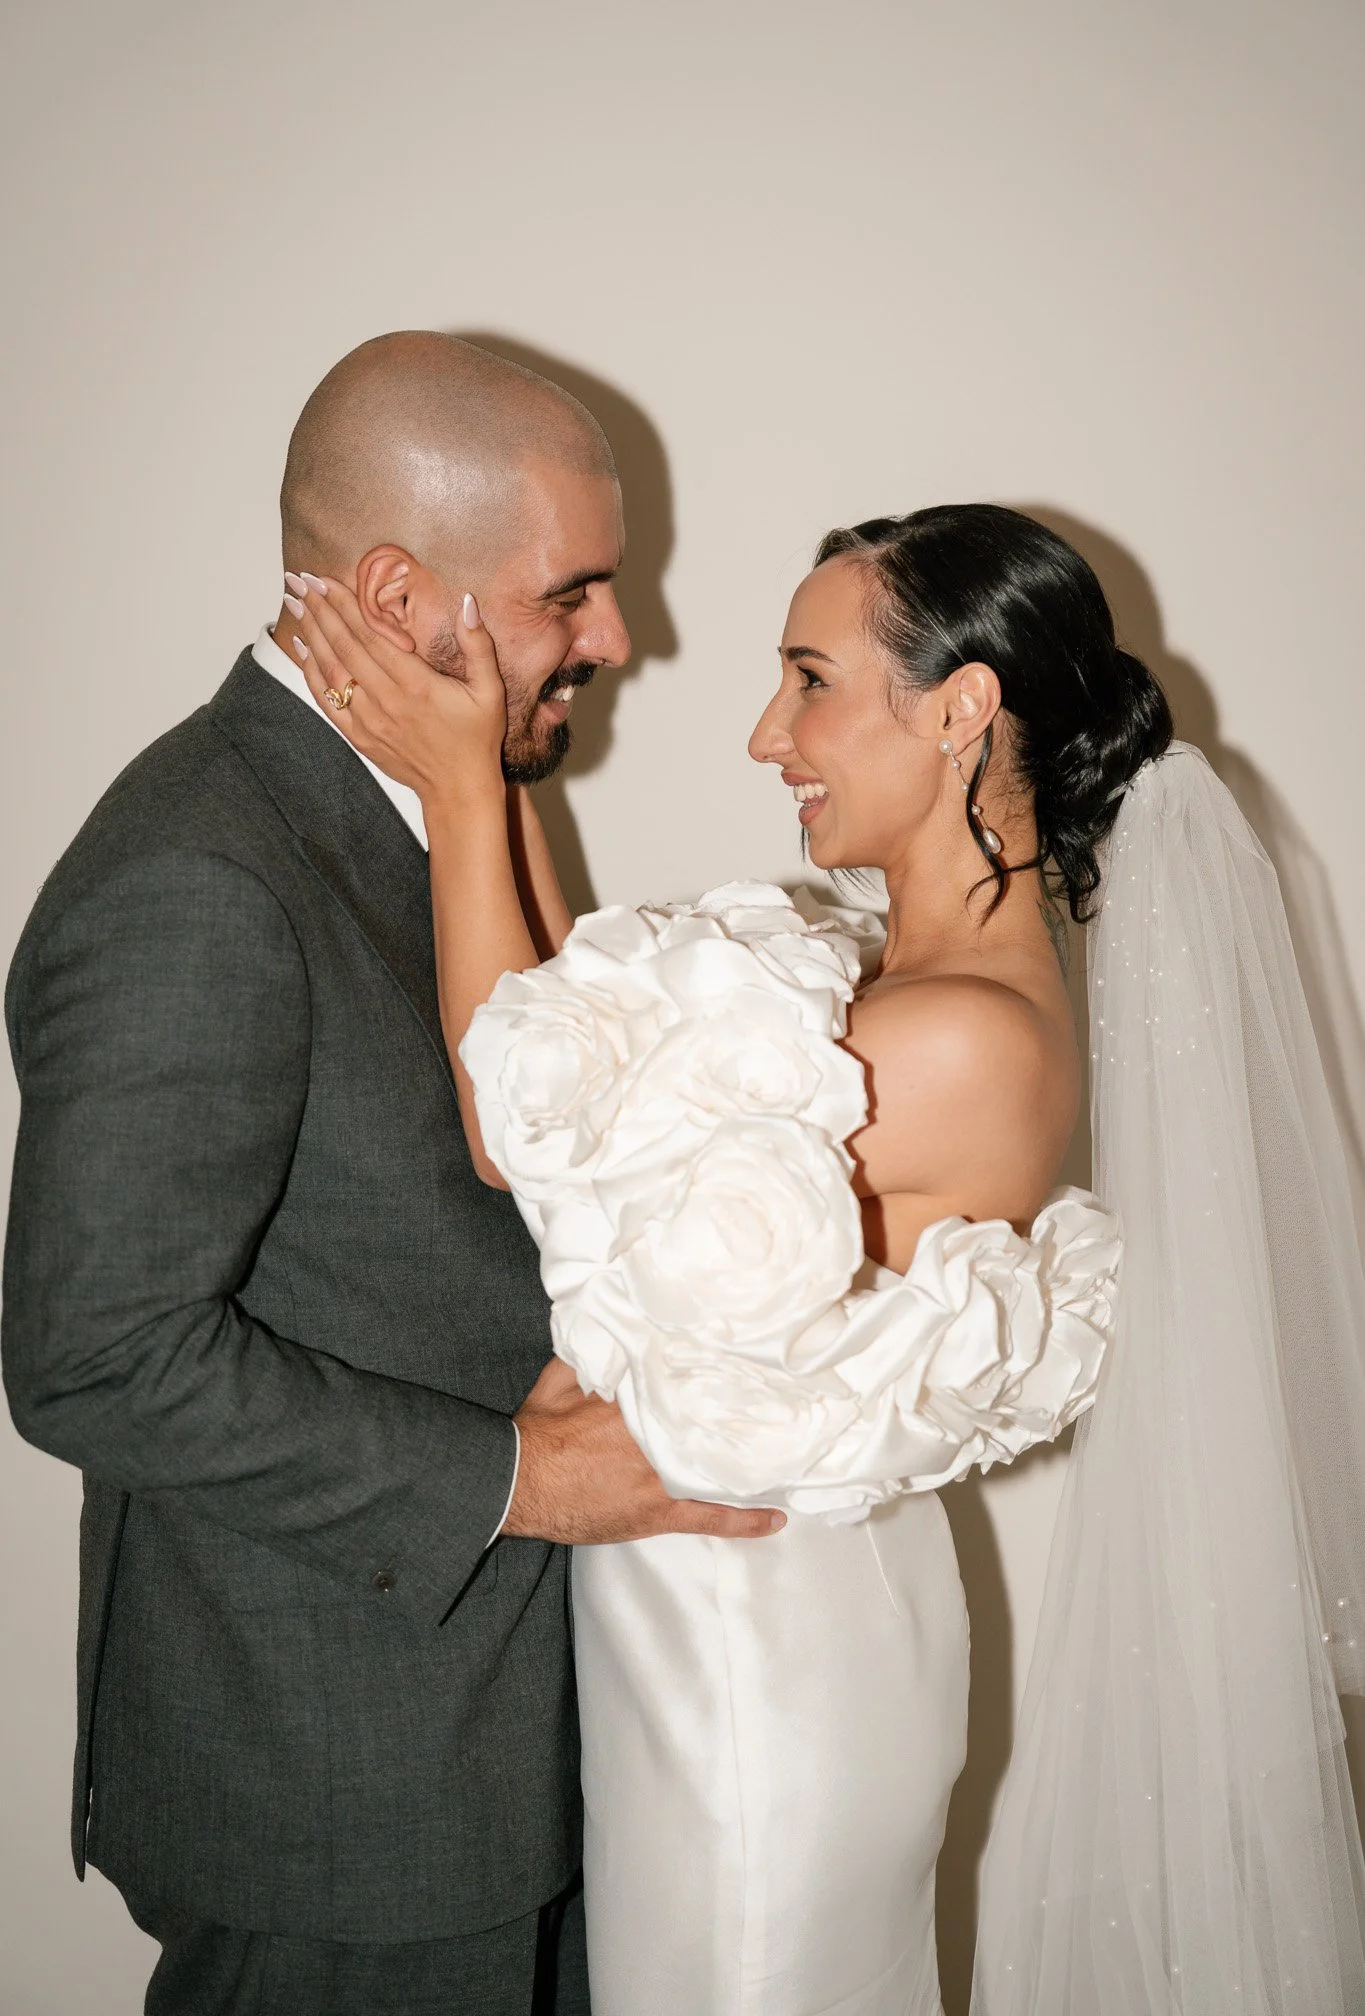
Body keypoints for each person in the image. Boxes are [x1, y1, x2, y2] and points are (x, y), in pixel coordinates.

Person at [286, 501, 1365, 2016]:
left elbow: (520, 1121)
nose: (763, 735)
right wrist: (494, 745)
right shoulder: (886, 978)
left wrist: (464, 791)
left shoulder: (960, 1039)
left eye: (810, 680)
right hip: (749, 1613)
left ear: (961, 707)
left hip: (761, 1658)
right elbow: (584, 1029)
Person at [1, 332, 783, 2016]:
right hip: (342, 1804)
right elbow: (93, 1358)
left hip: (501, 1759)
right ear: (391, 587)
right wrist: (529, 1480)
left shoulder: (434, 804)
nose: (620, 638)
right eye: (573, 592)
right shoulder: (198, 874)